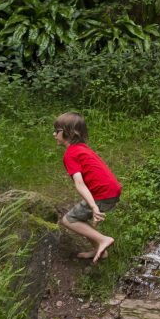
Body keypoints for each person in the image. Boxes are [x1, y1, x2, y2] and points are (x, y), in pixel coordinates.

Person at [55, 112, 122, 265]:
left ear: (67, 132)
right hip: (111, 190)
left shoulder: (70, 154)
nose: (54, 134)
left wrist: (93, 206)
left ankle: (103, 240)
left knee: (69, 220)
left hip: (103, 194)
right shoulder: (81, 148)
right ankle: (100, 250)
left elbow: (79, 183)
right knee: (81, 218)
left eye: (56, 130)